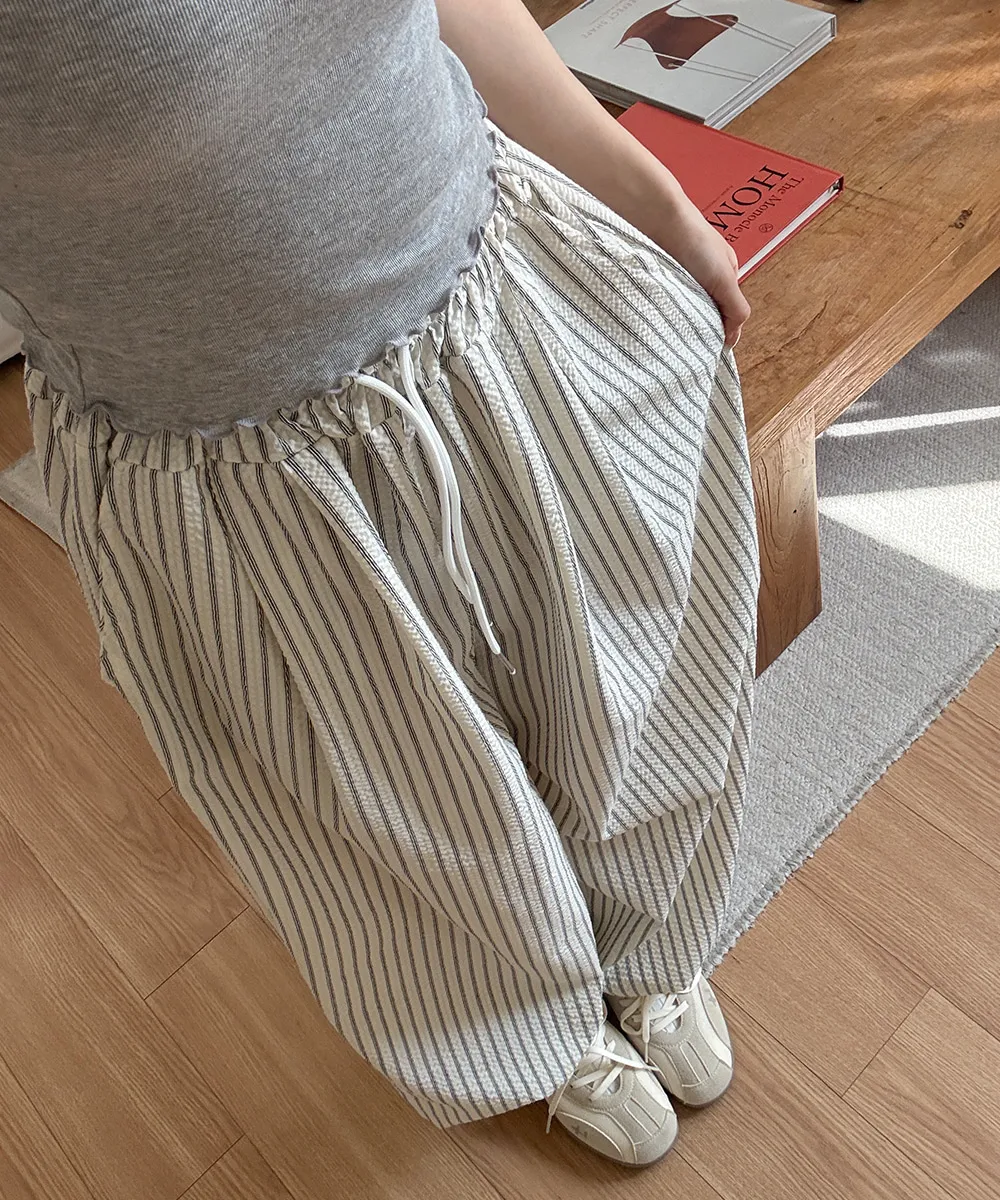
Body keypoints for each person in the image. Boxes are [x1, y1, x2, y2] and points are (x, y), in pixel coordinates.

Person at [0, 0, 757, 1168]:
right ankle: (528, 1025)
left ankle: (645, 933)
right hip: (230, 463)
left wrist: (645, 194)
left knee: (617, 651)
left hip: (490, 287)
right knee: (392, 791)